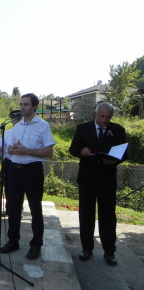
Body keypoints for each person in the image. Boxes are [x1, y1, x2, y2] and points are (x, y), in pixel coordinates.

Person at [69, 102, 127, 266]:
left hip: (107, 180)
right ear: (95, 114)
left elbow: (125, 154)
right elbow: (72, 149)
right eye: (102, 116)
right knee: (86, 215)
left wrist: (113, 161)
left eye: (108, 117)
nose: (104, 120)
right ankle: (86, 248)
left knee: (108, 216)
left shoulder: (117, 130)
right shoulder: (83, 128)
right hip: (87, 179)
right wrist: (81, 151)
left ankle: (109, 251)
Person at [0, 93, 55, 260]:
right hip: (15, 170)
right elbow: (9, 149)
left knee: (35, 209)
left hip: (32, 171)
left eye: (25, 104)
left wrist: (26, 151)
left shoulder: (43, 126)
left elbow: (49, 152)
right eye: (21, 104)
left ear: (34, 107)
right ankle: (13, 241)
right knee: (13, 208)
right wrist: (12, 150)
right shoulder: (16, 127)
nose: (22, 107)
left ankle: (36, 245)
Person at [0, 110, 23, 216]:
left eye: (18, 119)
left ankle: (19, 209)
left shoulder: (25, 133)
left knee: (20, 187)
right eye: (14, 119)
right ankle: (9, 209)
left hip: (22, 162)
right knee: (8, 186)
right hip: (9, 161)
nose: (16, 121)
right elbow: (0, 146)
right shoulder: (7, 133)